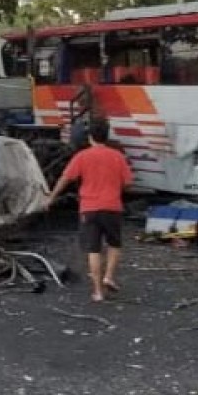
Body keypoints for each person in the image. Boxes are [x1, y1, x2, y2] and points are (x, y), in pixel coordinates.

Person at [44, 119, 133, 302]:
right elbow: (128, 184)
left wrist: (51, 198)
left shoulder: (82, 156)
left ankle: (98, 291)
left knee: (94, 250)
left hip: (89, 209)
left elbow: (65, 178)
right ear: (107, 136)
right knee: (114, 245)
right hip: (112, 207)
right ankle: (109, 276)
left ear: (90, 137)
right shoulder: (118, 156)